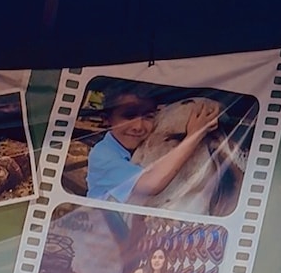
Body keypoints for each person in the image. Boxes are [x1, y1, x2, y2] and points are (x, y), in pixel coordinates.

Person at [84, 87, 220, 207]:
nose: (138, 126)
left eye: (148, 116)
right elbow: (151, 184)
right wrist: (194, 136)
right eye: (129, 116)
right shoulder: (102, 155)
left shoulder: (147, 145)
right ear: (106, 119)